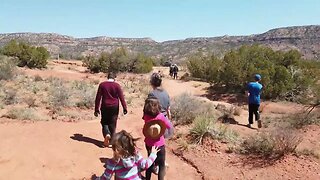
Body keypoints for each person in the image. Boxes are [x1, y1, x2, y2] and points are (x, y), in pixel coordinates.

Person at [94, 72, 128, 147]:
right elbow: (121, 97)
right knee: (113, 123)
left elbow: (98, 98)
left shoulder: (102, 85)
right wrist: (125, 108)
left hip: (105, 106)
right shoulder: (117, 86)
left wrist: (96, 109)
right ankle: (112, 141)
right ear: (114, 78)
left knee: (104, 122)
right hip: (114, 107)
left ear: (107, 77)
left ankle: (107, 134)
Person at [142, 97, 171, 180]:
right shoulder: (161, 116)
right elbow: (169, 126)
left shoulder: (146, 117)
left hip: (149, 143)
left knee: (150, 162)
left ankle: (148, 178)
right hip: (160, 144)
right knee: (162, 165)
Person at [148, 73, 173, 138]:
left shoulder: (151, 94)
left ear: (151, 82)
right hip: (165, 120)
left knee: (154, 145)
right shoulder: (165, 93)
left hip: (156, 122)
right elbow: (169, 111)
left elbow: (149, 111)